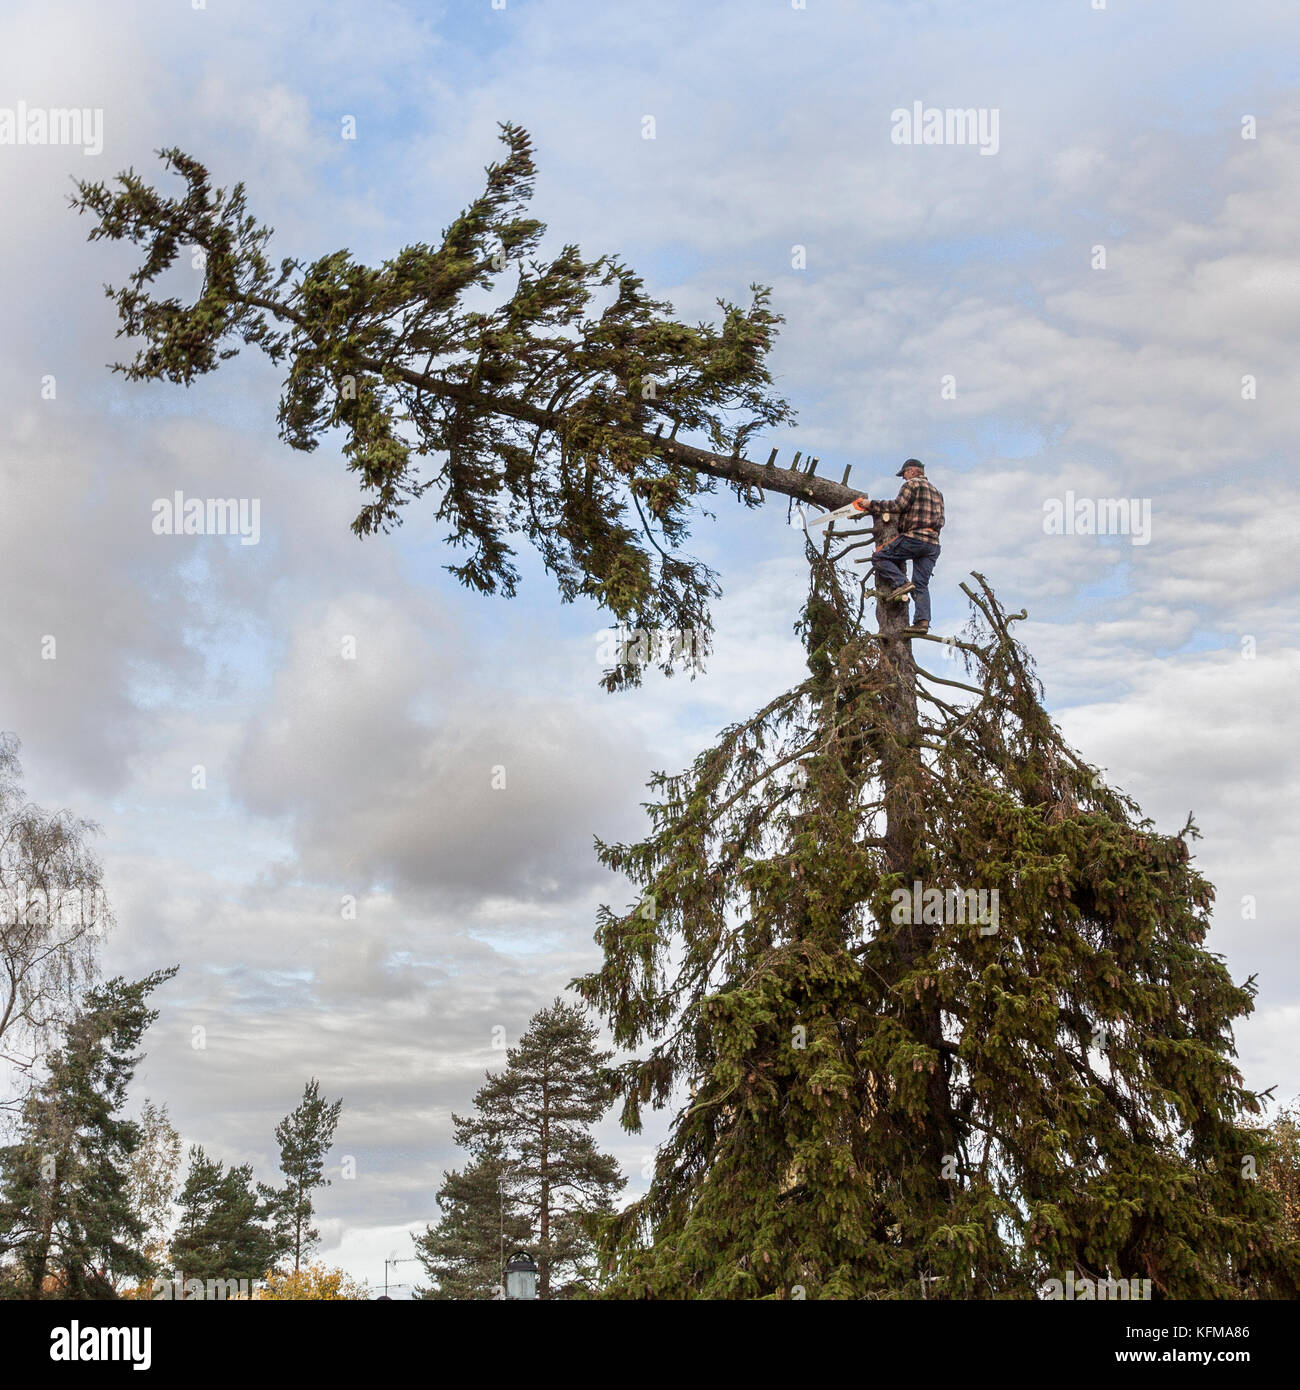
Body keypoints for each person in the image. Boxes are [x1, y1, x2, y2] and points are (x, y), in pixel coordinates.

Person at [864, 459, 943, 634]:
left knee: (879, 556)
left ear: (913, 471)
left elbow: (897, 506)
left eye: (904, 473)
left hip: (915, 538)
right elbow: (941, 521)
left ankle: (901, 583)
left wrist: (872, 505)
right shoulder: (937, 492)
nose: (903, 478)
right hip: (933, 543)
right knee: (921, 584)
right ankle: (922, 622)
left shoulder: (911, 485)